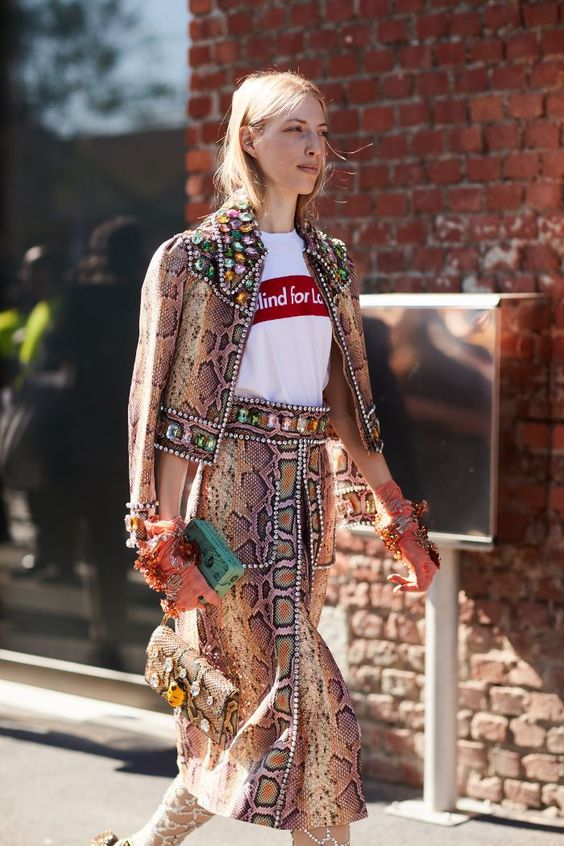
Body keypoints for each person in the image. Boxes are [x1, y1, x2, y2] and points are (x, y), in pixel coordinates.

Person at [91, 69, 440, 846]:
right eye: (294, 131)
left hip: (306, 497)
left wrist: (399, 522)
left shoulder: (331, 262)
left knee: (262, 706)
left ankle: (146, 845)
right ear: (248, 138)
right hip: (229, 501)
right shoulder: (196, 258)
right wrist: (163, 537)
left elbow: (351, 408)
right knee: (310, 700)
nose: (314, 148)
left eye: (320, 132)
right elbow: (172, 414)